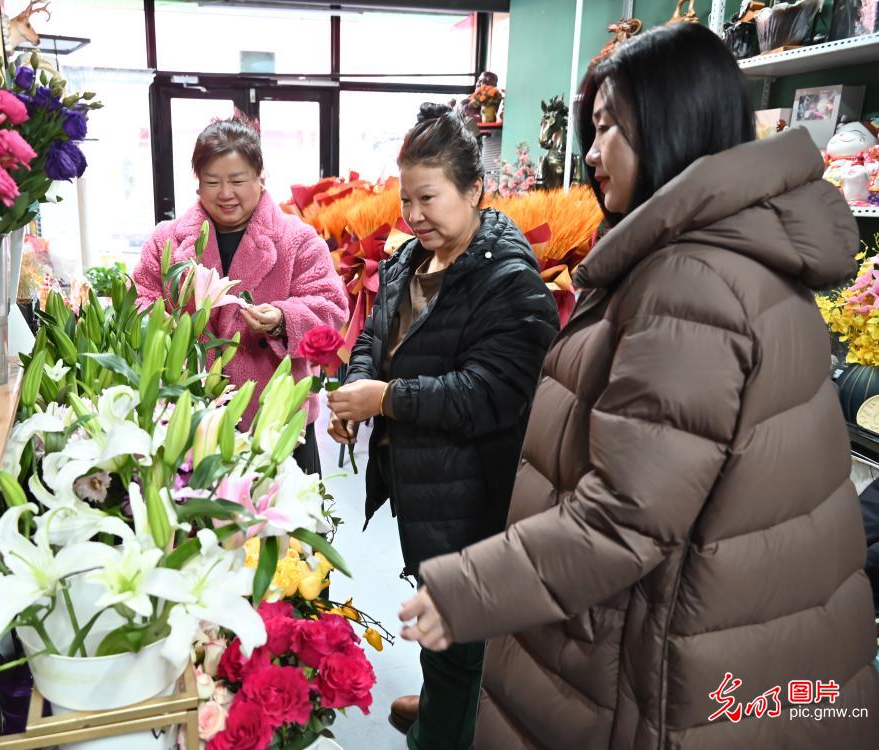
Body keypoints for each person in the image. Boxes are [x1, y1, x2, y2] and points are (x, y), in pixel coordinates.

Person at [400, 23, 879, 748]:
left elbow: (626, 514)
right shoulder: (730, 257)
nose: (591, 154)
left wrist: (470, 589)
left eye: (607, 128)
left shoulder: (692, 283)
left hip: (672, 662)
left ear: (670, 124)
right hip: (727, 640)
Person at [327, 103, 559, 749]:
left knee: (460, 632)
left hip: (473, 491)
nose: (414, 215)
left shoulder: (509, 282)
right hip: (422, 481)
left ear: (474, 190)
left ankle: (445, 728)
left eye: (428, 198)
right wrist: (357, 393)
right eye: (406, 199)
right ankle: (439, 703)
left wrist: (386, 400)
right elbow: (374, 338)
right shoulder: (408, 260)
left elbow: (491, 394)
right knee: (437, 612)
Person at [133, 116, 348, 472]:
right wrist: (169, 329)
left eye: (237, 180)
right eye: (212, 182)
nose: (225, 193)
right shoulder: (166, 241)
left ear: (260, 176)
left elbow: (331, 308)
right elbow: (140, 301)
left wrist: (282, 320)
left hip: (276, 420)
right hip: (189, 416)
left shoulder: (298, 239)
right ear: (197, 183)